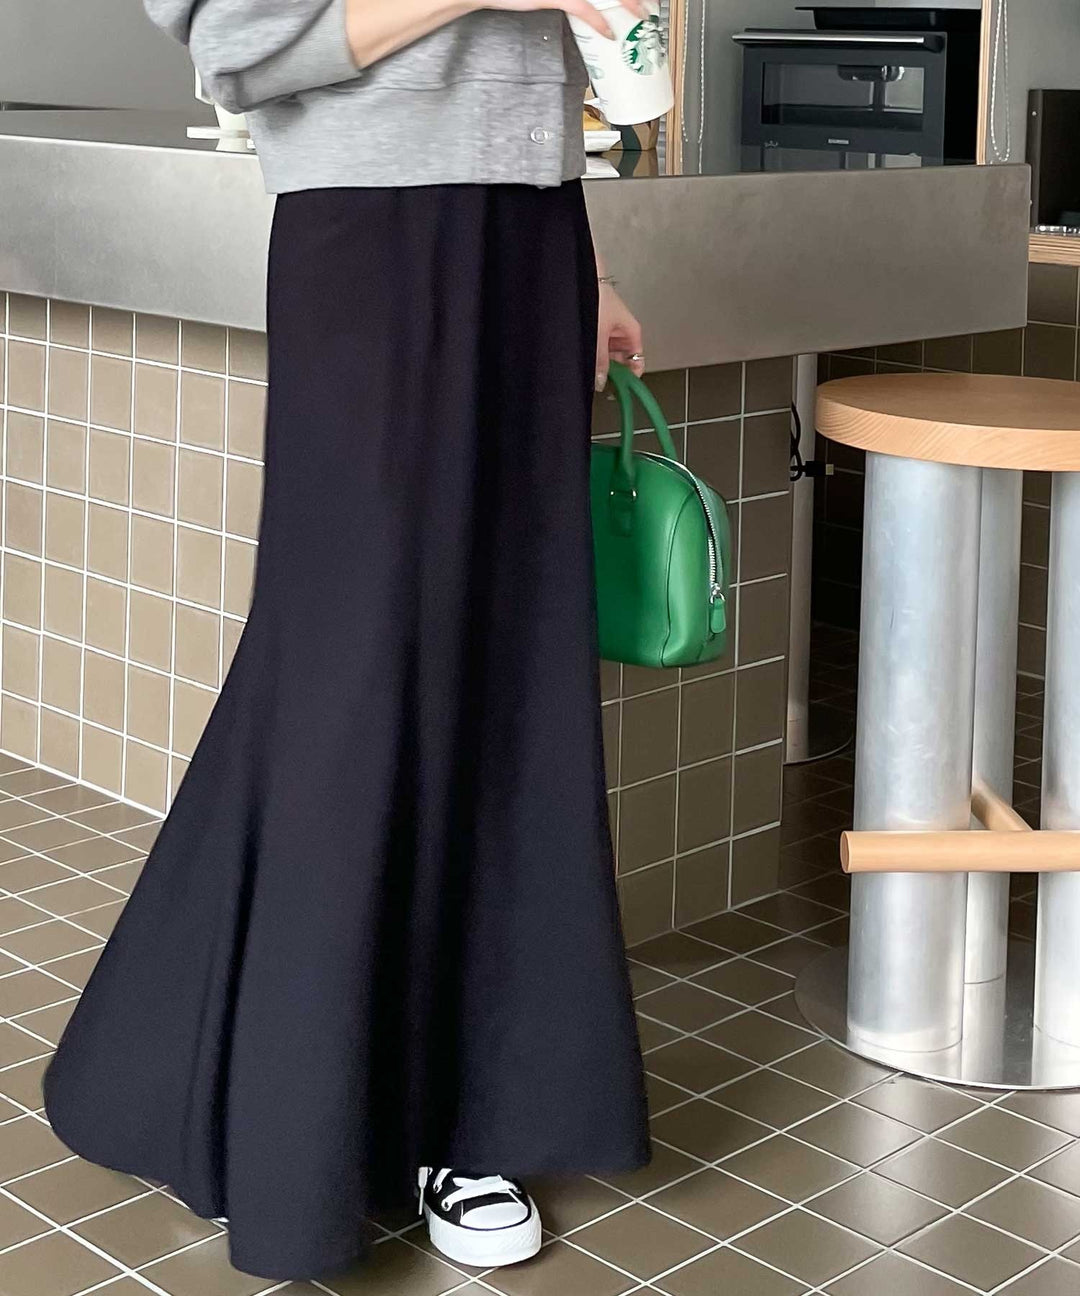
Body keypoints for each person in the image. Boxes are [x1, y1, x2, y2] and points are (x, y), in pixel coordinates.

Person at [43, 0, 651, 1282]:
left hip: (532, 228)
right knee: (352, 668)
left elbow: (532, 62)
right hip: (370, 226)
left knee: (511, 665)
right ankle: (298, 1117)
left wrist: (582, 256)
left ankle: (474, 1113)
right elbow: (236, 38)